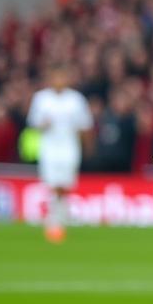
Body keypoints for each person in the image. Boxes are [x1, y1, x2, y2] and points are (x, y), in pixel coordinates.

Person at [27, 66, 93, 242]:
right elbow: (33, 123)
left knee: (65, 184)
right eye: (56, 77)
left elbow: (85, 125)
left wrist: (87, 146)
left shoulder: (76, 99)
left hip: (69, 146)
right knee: (52, 183)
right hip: (49, 146)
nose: (59, 81)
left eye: (62, 77)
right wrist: (43, 124)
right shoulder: (41, 99)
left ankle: (60, 217)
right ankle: (55, 220)